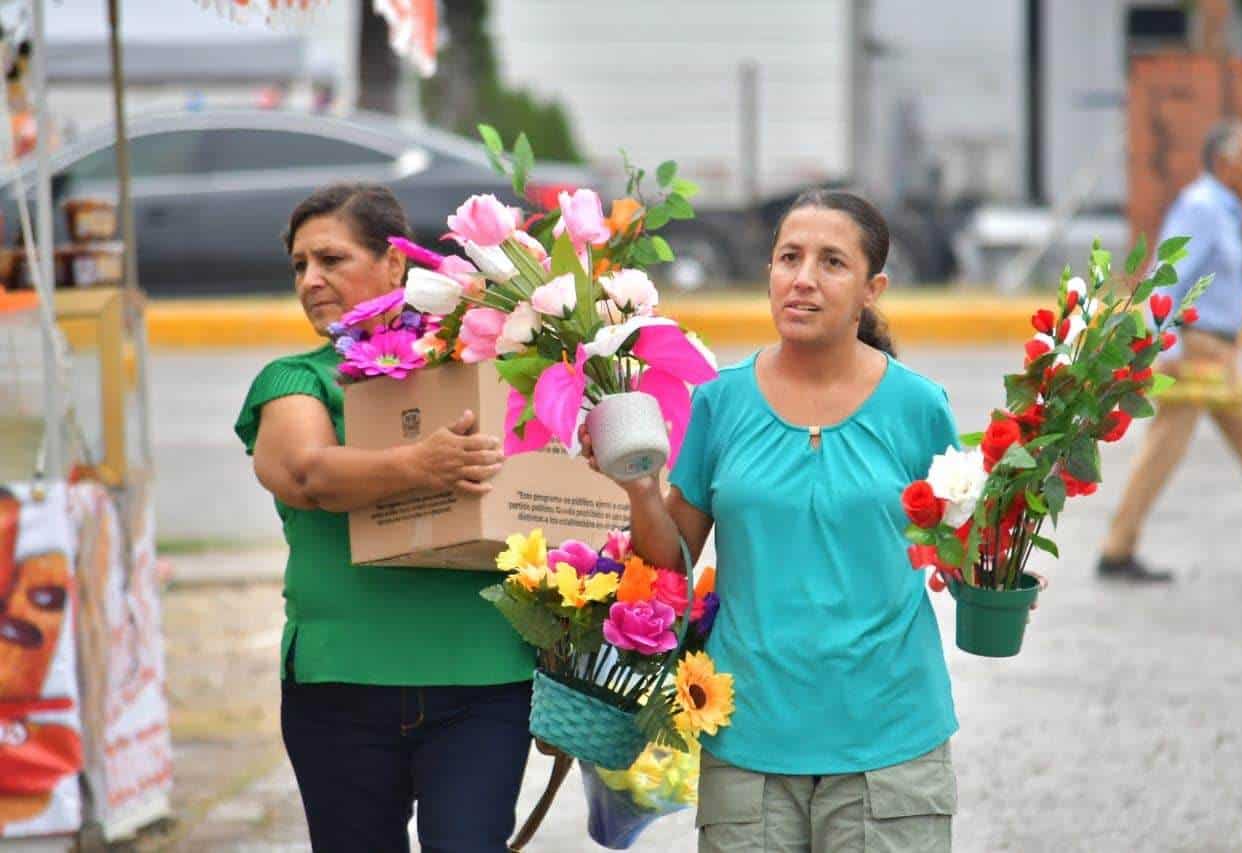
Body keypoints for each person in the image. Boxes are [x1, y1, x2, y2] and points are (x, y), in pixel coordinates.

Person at [583, 190, 968, 852]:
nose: (803, 278)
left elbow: (959, 547)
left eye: (832, 262)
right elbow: (671, 565)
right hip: (748, 741)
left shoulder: (918, 407)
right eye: (789, 257)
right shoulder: (720, 403)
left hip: (891, 741)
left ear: (872, 289)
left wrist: (1000, 572)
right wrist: (641, 493)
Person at [234, 183, 534, 852]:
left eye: (331, 259)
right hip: (342, 690)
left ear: (395, 264)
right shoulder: (297, 378)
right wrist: (421, 465)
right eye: (299, 266)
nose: (311, 280)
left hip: (482, 682)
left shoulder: (482, 364)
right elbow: (308, 472)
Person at [1097, 118, 1242, 583]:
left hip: (1215, 350)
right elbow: (1170, 276)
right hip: (1199, 352)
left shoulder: (1223, 211)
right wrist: (1166, 345)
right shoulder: (1202, 208)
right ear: (1224, 163)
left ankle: (1118, 547)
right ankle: (1117, 549)